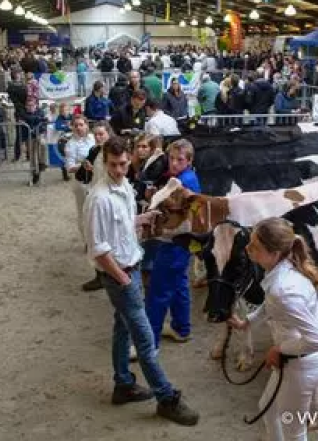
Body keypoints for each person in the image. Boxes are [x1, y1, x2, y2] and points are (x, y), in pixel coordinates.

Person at [84, 136, 199, 426]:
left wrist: (142, 218)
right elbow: (97, 248)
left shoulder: (122, 186)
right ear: (104, 161)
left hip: (130, 267)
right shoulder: (98, 198)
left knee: (122, 328)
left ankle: (123, 384)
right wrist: (122, 277)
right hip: (121, 274)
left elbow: (119, 225)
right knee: (146, 341)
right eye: (113, 165)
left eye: (123, 164)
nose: (120, 170)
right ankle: (166, 397)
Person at [228, 218, 318, 441]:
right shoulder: (282, 271)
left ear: (274, 253)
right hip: (295, 359)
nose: (247, 249)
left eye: (254, 246)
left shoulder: (283, 290)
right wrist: (248, 322)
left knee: (294, 430)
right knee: (268, 407)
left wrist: (280, 349)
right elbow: (270, 305)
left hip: (300, 364)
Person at [146, 139, 199, 348]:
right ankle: (181, 328)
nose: (174, 163)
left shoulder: (183, 182)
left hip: (173, 241)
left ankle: (149, 342)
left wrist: (158, 198)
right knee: (178, 284)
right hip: (183, 242)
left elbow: (178, 207)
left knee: (158, 291)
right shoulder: (186, 177)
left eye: (180, 159)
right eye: (171, 158)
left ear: (189, 160)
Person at [76, 121, 114, 292]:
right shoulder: (94, 150)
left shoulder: (114, 152)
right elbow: (87, 175)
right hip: (94, 194)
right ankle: (100, 275)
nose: (98, 137)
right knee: (95, 237)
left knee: (107, 238)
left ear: (108, 133)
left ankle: (111, 274)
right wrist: (87, 168)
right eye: (96, 134)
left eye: (102, 134)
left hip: (108, 199)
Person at [65, 115, 96, 243]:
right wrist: (83, 164)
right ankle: (87, 241)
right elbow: (69, 167)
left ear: (86, 126)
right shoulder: (70, 145)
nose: (78, 128)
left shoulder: (93, 138)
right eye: (76, 125)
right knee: (84, 210)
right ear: (72, 127)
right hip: (81, 181)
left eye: (81, 124)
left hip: (96, 178)